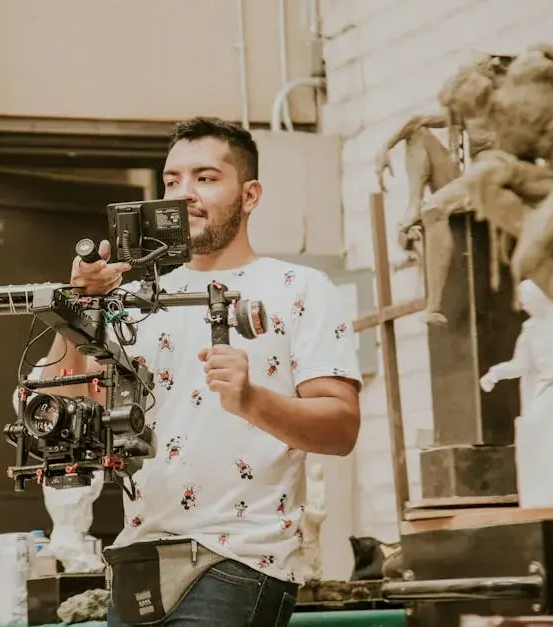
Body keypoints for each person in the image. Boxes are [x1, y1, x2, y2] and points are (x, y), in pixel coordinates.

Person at [35, 116, 362, 626]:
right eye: (172, 181)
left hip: (240, 560)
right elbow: (56, 410)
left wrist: (251, 399)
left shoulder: (299, 288)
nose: (184, 194)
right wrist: (76, 307)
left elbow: (341, 428)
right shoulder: (129, 299)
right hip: (136, 556)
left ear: (250, 195)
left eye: (205, 178)